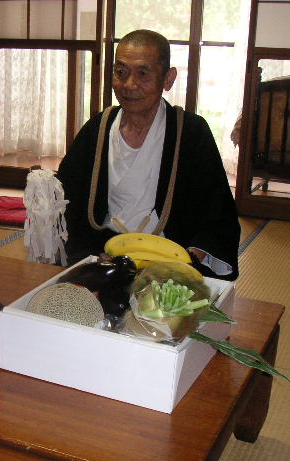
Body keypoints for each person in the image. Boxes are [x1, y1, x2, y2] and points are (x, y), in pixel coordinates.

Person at [57, 29, 240, 280]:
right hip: (103, 255)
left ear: (168, 79)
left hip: (169, 260)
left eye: (143, 74)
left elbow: (216, 211)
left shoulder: (191, 132)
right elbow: (68, 199)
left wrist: (190, 258)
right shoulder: (97, 129)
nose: (129, 85)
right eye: (121, 72)